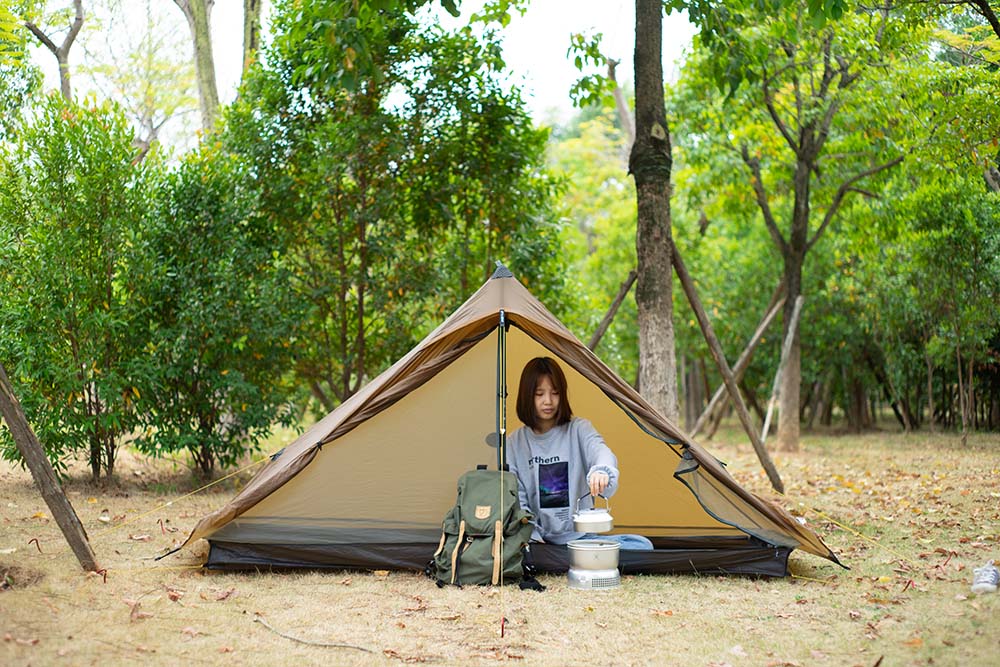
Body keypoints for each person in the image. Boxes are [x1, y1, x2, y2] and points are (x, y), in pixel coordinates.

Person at [507, 356, 653, 551]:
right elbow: (517, 499)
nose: (548, 401)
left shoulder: (579, 429)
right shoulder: (514, 442)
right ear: (527, 396)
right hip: (537, 540)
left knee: (642, 546)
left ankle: (567, 556)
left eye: (555, 393)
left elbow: (601, 452)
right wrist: (531, 537)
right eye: (539, 394)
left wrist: (601, 471)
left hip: (580, 538)